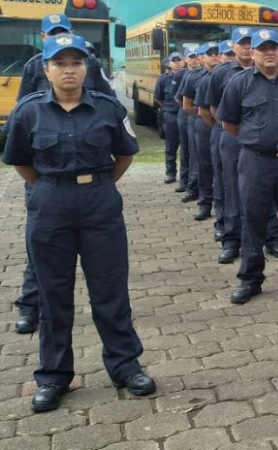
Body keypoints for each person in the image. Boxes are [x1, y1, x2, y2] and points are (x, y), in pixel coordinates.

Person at [3, 34, 156, 413]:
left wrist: (94, 186)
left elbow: (124, 154)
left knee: (110, 289)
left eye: (76, 62)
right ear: (46, 69)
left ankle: (124, 365)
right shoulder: (28, 111)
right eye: (60, 63)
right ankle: (54, 374)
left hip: (99, 203)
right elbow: (20, 161)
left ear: (87, 68)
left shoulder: (107, 108)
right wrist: (54, 188)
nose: (68, 69)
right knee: (53, 293)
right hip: (50, 204)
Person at [9, 13, 116, 335]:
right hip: (46, 176)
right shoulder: (33, 67)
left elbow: (108, 105)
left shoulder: (91, 64)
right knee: (40, 252)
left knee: (105, 270)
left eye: (64, 32)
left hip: (89, 178)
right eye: (53, 34)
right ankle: (31, 305)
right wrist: (42, 183)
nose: (68, 68)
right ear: (44, 40)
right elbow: (21, 115)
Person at [217, 29, 278, 304]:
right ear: (252, 53)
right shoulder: (238, 83)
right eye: (262, 48)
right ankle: (250, 279)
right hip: (255, 161)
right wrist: (256, 139)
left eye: (273, 47)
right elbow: (228, 123)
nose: (269, 53)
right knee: (252, 221)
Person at [204, 27, 254, 262]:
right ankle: (232, 240)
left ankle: (272, 238)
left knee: (264, 193)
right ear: (232, 47)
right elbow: (213, 109)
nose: (246, 47)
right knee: (232, 189)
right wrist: (236, 132)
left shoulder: (269, 72)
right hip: (233, 139)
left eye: (249, 42)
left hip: (260, 145)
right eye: (241, 43)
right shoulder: (222, 73)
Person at [17, 14, 115, 100]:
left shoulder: (92, 62)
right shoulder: (32, 66)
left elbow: (108, 97)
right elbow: (24, 103)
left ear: (72, 33)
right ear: (43, 37)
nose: (59, 37)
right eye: (53, 34)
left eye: (76, 63)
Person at [182, 42, 220, 221]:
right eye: (209, 53)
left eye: (217, 52)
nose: (214, 56)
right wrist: (206, 118)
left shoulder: (229, 74)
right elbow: (187, 104)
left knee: (223, 169)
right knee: (204, 166)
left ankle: (223, 210)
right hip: (204, 125)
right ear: (201, 57)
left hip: (224, 127)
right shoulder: (195, 77)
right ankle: (205, 203)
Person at [176, 47, 207, 203]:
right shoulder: (192, 76)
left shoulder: (224, 73)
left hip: (218, 123)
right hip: (196, 119)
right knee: (194, 156)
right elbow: (182, 100)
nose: (195, 59)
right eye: (194, 56)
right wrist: (200, 114)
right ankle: (193, 188)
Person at [153, 52, 185, 184]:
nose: (177, 63)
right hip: (170, 115)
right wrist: (167, 107)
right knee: (171, 146)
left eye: (179, 60)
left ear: (184, 62)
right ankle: (170, 173)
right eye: (174, 61)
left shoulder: (188, 76)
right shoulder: (163, 79)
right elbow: (157, 97)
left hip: (185, 115)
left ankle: (185, 175)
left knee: (186, 147)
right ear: (170, 64)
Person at [174, 46, 199, 195]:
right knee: (186, 149)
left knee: (197, 152)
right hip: (186, 113)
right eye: (191, 56)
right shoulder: (181, 75)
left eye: (196, 56)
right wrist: (190, 110)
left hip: (199, 115)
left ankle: (194, 183)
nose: (194, 59)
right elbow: (178, 97)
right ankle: (185, 181)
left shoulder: (202, 73)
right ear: (185, 59)